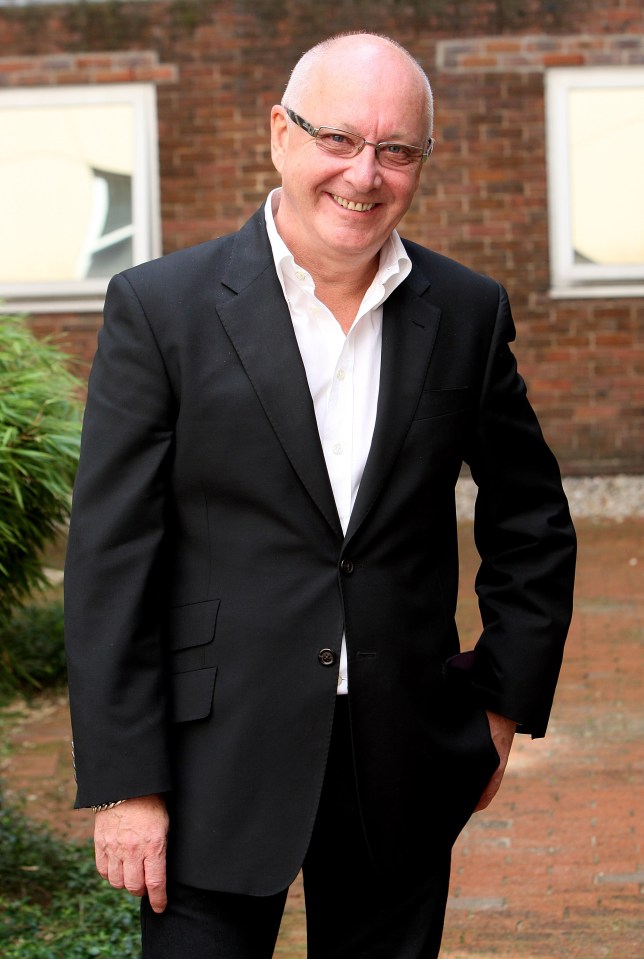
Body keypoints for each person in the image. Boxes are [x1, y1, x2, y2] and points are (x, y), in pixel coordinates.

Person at [64, 32, 576, 959]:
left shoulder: (466, 312)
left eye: (396, 150)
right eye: (339, 139)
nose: (363, 174)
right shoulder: (161, 309)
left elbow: (533, 523)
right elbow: (111, 559)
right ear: (280, 135)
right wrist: (125, 780)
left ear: (423, 161)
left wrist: (500, 707)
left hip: (403, 751)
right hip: (208, 759)